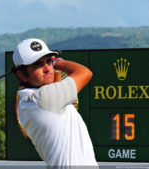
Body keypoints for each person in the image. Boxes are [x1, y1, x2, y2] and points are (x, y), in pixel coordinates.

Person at [13, 38, 98, 168]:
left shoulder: (26, 100)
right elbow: (85, 73)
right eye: (38, 65)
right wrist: (58, 62)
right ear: (22, 75)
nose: (47, 68)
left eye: (48, 61)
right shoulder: (44, 98)